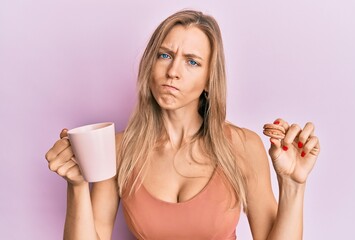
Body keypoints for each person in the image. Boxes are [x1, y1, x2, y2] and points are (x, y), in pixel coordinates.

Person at [45, 10, 320, 240]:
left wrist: (293, 184)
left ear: (209, 79)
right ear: (149, 64)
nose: (173, 71)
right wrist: (77, 186)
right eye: (164, 55)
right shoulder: (118, 149)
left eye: (192, 62)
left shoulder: (242, 146)